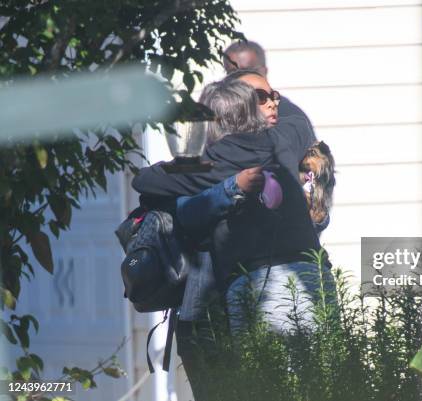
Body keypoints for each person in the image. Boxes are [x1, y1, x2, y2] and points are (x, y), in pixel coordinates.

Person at [132, 79, 334, 400]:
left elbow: (145, 180)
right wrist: (263, 83)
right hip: (312, 275)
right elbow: (298, 121)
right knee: (322, 385)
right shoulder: (282, 140)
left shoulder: (215, 162)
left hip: (259, 284)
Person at [223, 40, 313, 127]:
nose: (242, 80)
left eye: (248, 72)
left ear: (264, 71)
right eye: (233, 73)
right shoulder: (219, 114)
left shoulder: (290, 115)